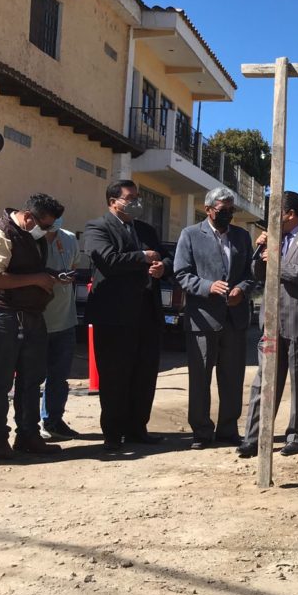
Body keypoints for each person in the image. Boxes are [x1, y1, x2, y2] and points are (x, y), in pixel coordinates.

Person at [238, 191, 298, 458]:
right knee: (263, 382)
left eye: (274, 213)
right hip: (271, 323)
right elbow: (258, 275)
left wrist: (277, 262)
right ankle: (254, 437)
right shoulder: (273, 239)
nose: (269, 220)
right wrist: (259, 253)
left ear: (289, 214)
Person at [84, 180, 171, 452]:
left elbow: (167, 257)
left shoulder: (146, 229)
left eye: (137, 197)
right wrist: (142, 257)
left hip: (147, 314)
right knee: (114, 376)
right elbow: (107, 260)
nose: (136, 202)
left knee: (144, 375)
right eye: (130, 198)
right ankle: (113, 433)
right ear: (113, 201)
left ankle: (137, 428)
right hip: (114, 316)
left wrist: (162, 267)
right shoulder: (97, 228)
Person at [0, 193, 65, 459]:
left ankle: (28, 435)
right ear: (28, 216)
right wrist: (36, 279)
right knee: (1, 380)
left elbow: (27, 270)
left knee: (32, 379)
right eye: (45, 225)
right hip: (5, 315)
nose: (46, 230)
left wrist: (49, 276)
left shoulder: (30, 235)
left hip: (31, 315)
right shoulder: (0, 233)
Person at [173, 187, 256, 450]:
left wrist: (241, 289)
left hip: (235, 319)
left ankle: (228, 430)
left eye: (231, 210)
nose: (227, 214)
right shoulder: (190, 235)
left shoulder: (242, 236)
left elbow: (251, 274)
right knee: (200, 379)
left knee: (232, 379)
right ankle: (201, 431)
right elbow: (181, 274)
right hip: (203, 318)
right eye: (222, 210)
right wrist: (208, 287)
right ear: (208, 209)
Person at [39, 214, 81, 442]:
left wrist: (66, 277)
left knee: (59, 377)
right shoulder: (29, 240)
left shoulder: (69, 239)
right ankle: (29, 427)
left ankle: (53, 420)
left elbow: (74, 266)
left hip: (65, 319)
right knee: (31, 377)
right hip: (37, 320)